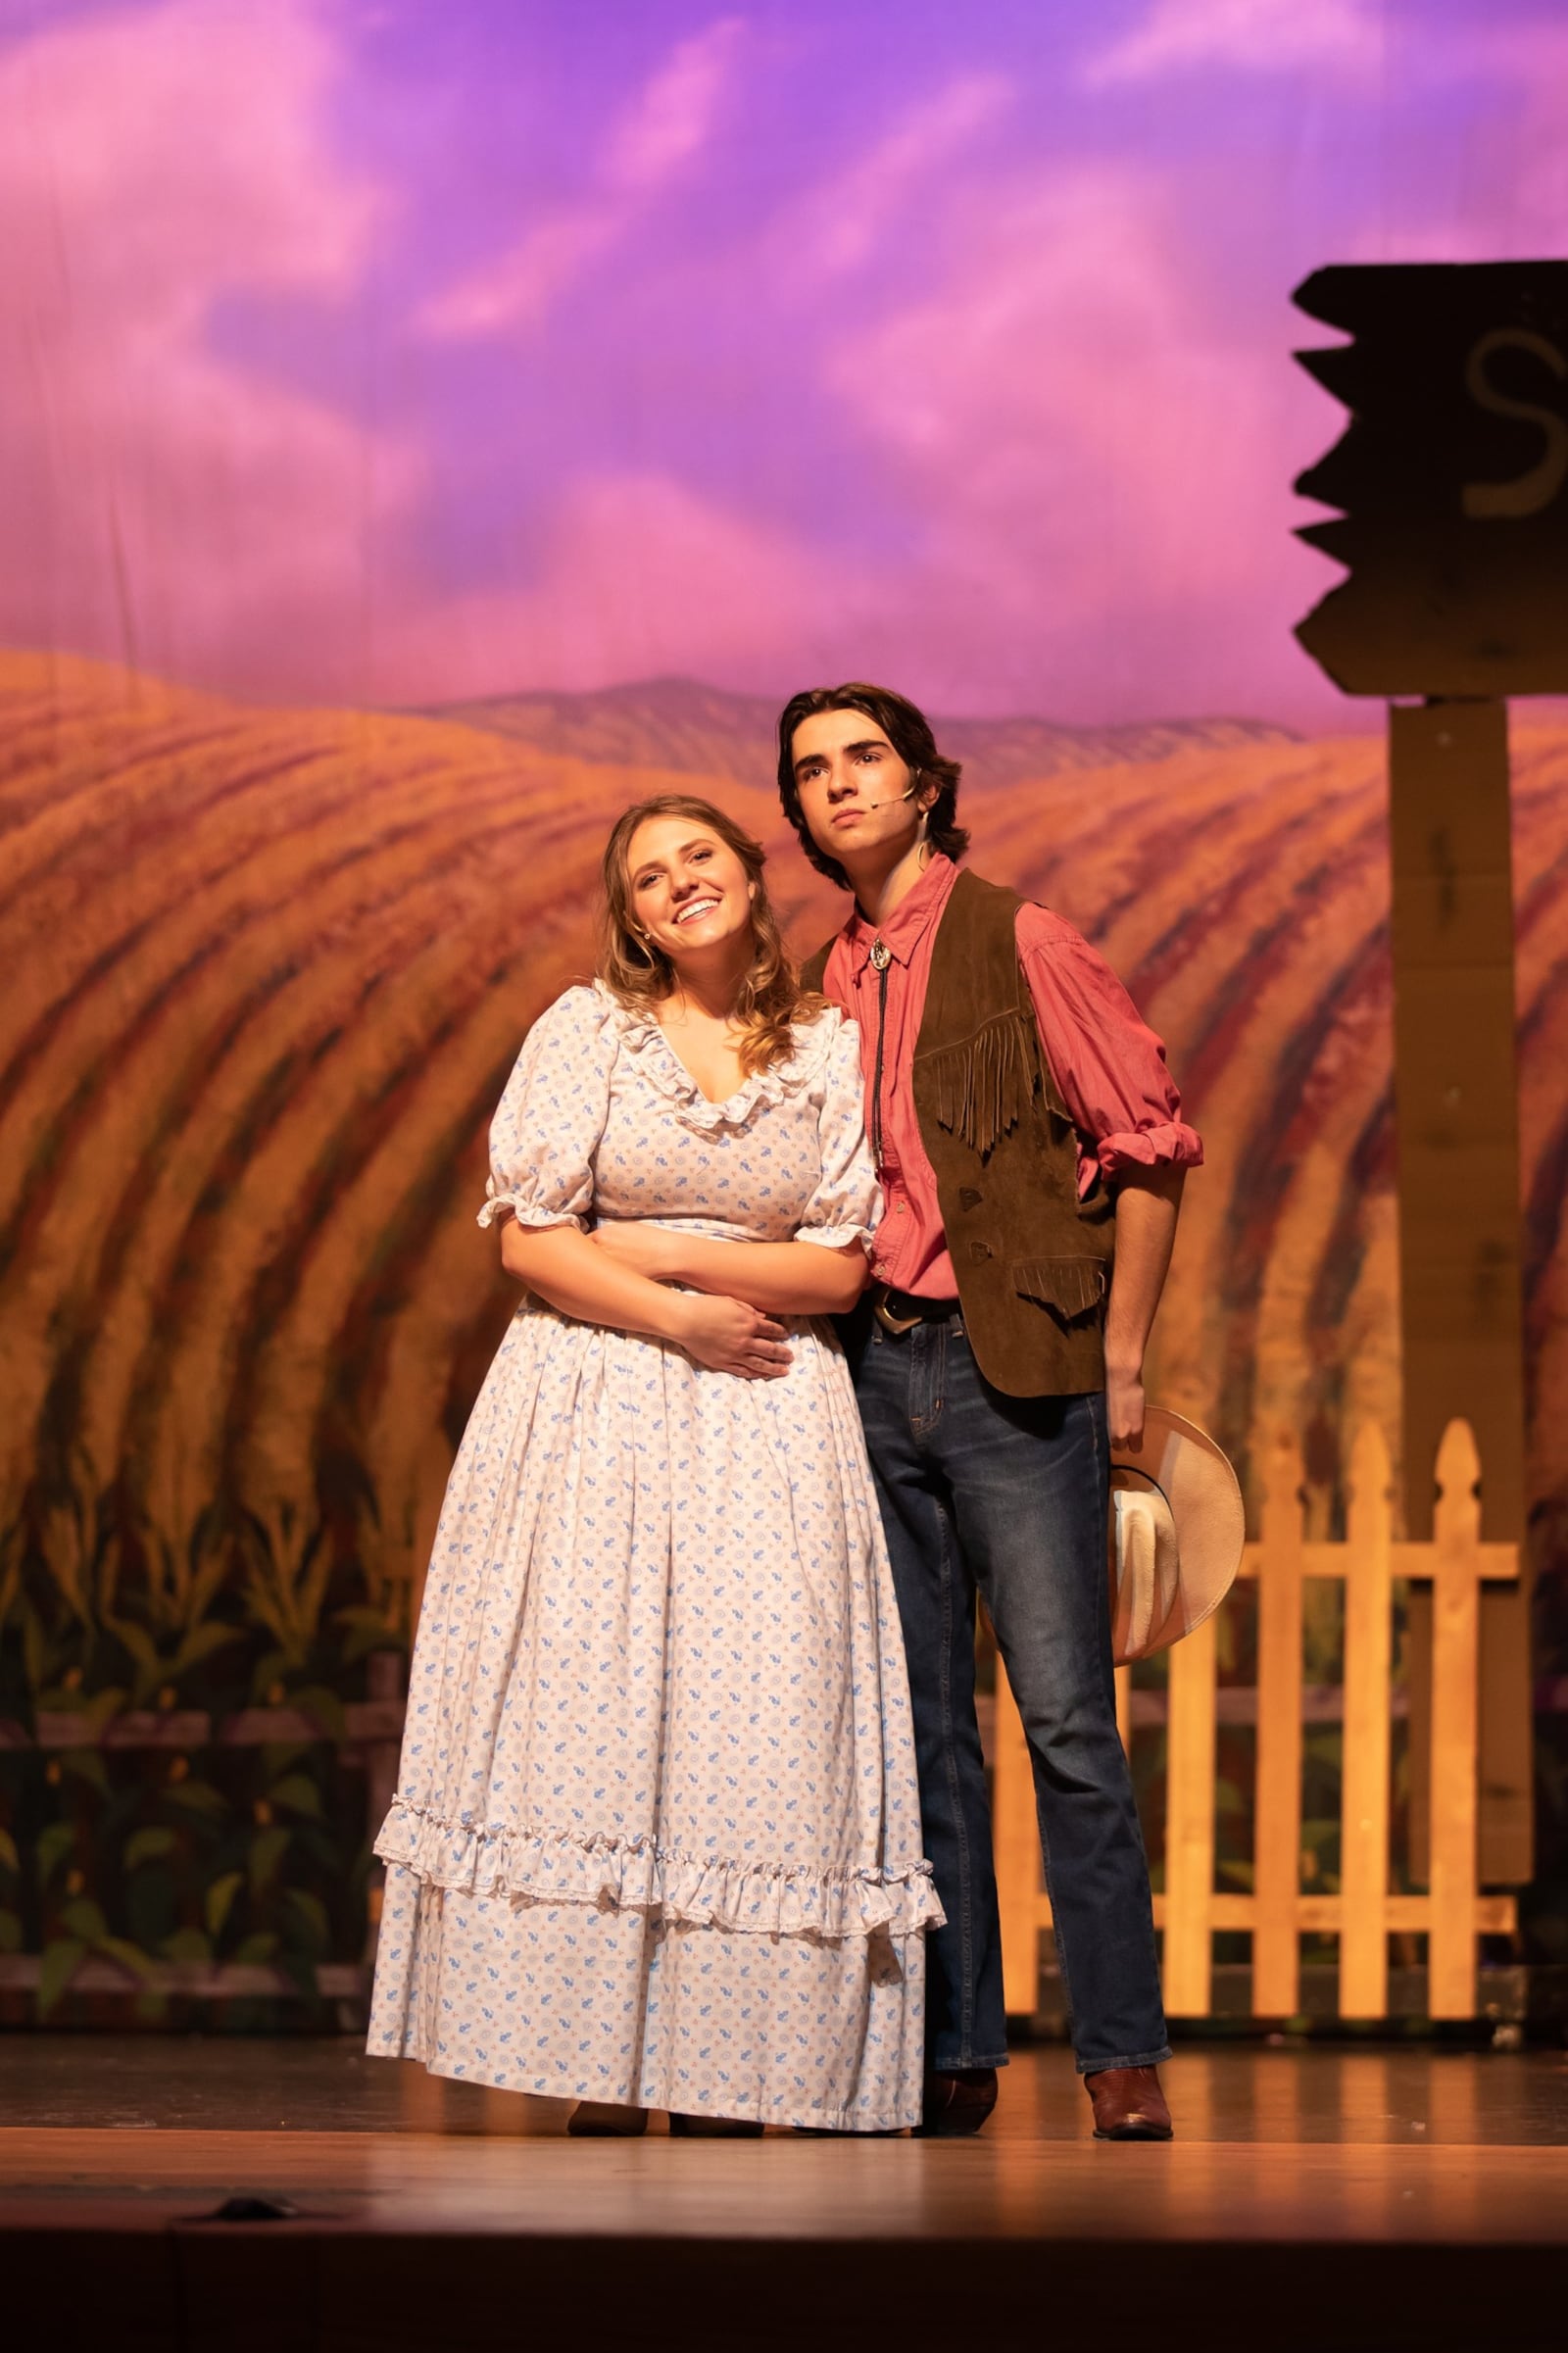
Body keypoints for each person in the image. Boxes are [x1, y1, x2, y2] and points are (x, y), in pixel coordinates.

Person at [367, 792, 940, 2135]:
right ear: (628, 917)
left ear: (751, 872)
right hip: (596, 1400)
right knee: (597, 1713)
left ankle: (734, 2062)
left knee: (763, 1722)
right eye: (646, 877)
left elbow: (840, 1265)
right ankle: (599, 2061)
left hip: (767, 1411)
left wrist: (671, 1246)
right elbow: (531, 1241)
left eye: (700, 857)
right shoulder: (590, 1031)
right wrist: (678, 1310)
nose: (679, 883)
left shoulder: (824, 1047)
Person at [778, 683, 1202, 2141]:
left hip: (1012, 1366)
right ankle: (953, 2046)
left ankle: (1121, 2051)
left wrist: (1126, 1355)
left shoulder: (1022, 937)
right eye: (811, 772)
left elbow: (1148, 1148)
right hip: (870, 1371)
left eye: (862, 759)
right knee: (920, 1733)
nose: (839, 785)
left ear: (923, 781)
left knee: (1070, 1721)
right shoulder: (820, 975)